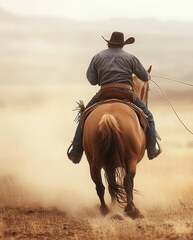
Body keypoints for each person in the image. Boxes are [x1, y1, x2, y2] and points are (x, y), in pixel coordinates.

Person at [67, 31, 161, 164]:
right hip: (126, 93)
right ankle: (152, 150)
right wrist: (148, 75)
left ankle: (76, 152)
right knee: (149, 117)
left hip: (104, 93)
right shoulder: (130, 57)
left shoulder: (97, 57)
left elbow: (92, 81)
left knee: (84, 117)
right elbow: (144, 77)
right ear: (123, 45)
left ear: (109, 43)